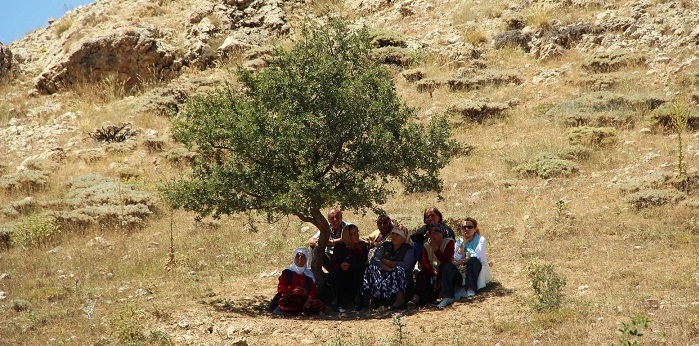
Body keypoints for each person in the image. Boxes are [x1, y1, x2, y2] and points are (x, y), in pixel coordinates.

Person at [361, 223, 414, 311]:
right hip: (385, 271)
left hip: (400, 274)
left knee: (399, 270)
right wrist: (388, 268)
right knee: (371, 268)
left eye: (397, 235)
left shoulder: (408, 249)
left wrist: (388, 262)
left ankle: (399, 301)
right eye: (393, 234)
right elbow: (375, 259)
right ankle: (371, 300)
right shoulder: (385, 245)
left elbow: (406, 265)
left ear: (404, 237)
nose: (394, 236)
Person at [408, 223, 455, 307]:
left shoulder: (449, 242)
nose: (432, 235)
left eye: (436, 233)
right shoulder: (426, 245)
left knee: (444, 267)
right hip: (433, 270)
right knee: (422, 274)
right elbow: (424, 263)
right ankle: (416, 298)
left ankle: (441, 296)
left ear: (442, 234)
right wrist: (433, 272)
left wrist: (436, 248)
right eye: (431, 233)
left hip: (446, 271)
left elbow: (446, 260)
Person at [270, 248, 326, 316]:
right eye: (298, 256)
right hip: (289, 298)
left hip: (304, 300)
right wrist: (295, 288)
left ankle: (299, 310)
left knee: (318, 304)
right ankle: (296, 310)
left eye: (303, 257)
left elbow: (313, 291)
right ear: (294, 258)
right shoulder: (287, 272)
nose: (300, 259)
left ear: (306, 260)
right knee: (298, 293)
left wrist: (308, 301)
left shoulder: (309, 275)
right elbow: (280, 289)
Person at [451, 217, 491, 301]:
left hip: (478, 267)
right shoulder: (459, 241)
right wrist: (464, 242)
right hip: (463, 268)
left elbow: (477, 255)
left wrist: (464, 259)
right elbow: (455, 257)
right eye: (464, 227)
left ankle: (470, 289)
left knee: (473, 260)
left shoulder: (481, 240)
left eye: (470, 227)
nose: (466, 229)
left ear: (475, 229)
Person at [330, 224, 369, 312]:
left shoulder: (362, 246)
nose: (356, 236)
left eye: (357, 233)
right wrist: (341, 265)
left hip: (355, 273)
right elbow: (335, 262)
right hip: (342, 274)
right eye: (353, 234)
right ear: (347, 235)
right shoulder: (339, 246)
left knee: (359, 270)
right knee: (336, 272)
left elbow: (362, 261)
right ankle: (336, 299)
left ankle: (357, 298)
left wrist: (350, 265)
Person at [307, 207, 350, 272]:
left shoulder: (348, 227)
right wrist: (320, 242)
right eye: (332, 218)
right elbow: (310, 241)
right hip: (329, 258)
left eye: (337, 217)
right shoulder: (326, 228)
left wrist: (332, 241)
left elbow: (352, 239)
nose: (335, 220)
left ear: (341, 217)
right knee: (313, 247)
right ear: (328, 220)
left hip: (344, 259)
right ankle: (310, 271)